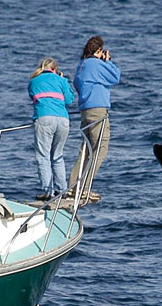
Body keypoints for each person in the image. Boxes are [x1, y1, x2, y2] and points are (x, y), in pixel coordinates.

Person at [68, 35, 120, 203]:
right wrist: (108, 61)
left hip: (85, 110)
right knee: (100, 149)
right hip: (98, 110)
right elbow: (115, 77)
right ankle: (84, 189)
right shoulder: (96, 64)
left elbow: (76, 84)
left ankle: (72, 187)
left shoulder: (81, 65)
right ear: (98, 51)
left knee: (85, 150)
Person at [27, 57, 75, 200]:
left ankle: (48, 192)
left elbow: (32, 97)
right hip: (63, 119)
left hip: (44, 118)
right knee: (58, 156)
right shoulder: (62, 80)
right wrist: (61, 79)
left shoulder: (33, 81)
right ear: (55, 69)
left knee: (43, 156)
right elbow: (69, 100)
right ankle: (62, 190)